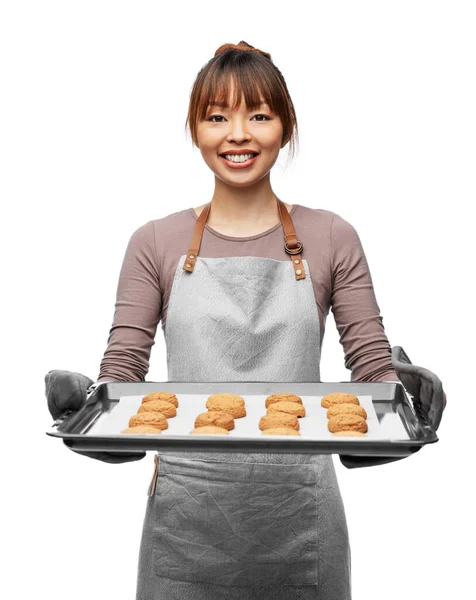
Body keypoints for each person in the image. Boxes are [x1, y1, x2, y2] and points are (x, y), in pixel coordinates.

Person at [45, 40, 446, 600]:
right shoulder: (153, 242)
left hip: (303, 523)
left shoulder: (332, 237)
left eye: (259, 115)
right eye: (217, 117)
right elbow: (125, 391)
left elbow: (370, 381)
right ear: (196, 129)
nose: (238, 135)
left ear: (284, 127)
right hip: (185, 525)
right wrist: (85, 415)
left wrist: (406, 413)